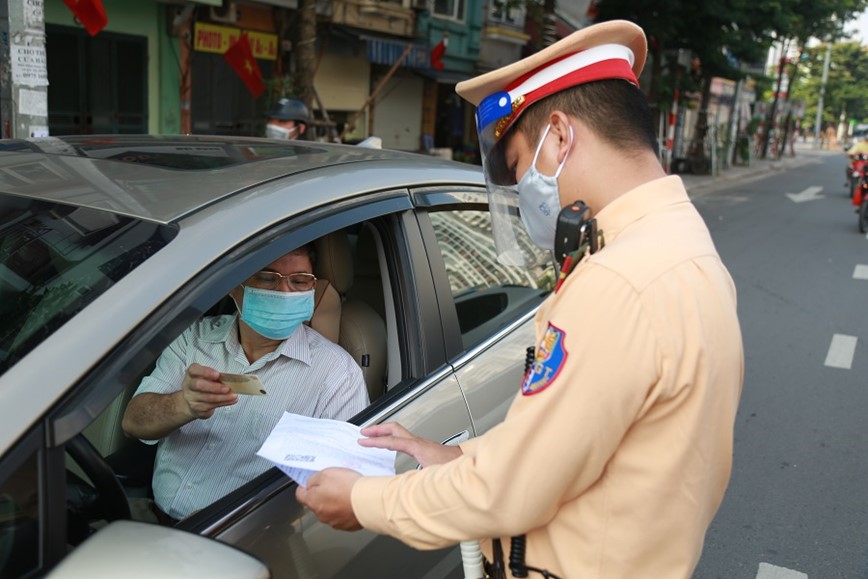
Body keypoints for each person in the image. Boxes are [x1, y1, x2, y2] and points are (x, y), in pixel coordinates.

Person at [296, 19, 744, 579]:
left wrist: (362, 500)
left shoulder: (620, 281)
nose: (518, 187)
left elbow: (510, 493)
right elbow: (572, 448)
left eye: (517, 165)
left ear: (559, 136)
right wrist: (454, 457)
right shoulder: (681, 246)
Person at [122, 243, 369, 522]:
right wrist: (183, 404)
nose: (285, 292)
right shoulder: (193, 339)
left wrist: (248, 521)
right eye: (267, 278)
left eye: (299, 281)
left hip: (249, 537)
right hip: (154, 520)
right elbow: (133, 423)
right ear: (234, 286)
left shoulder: (337, 373)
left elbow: (345, 483)